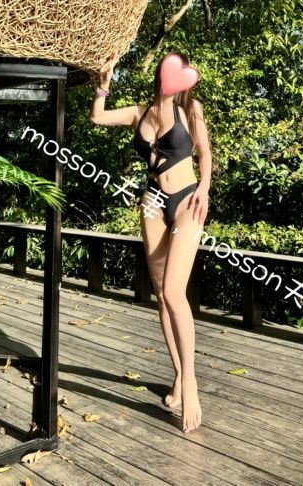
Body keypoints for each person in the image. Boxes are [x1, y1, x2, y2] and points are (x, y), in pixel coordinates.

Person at [89, 50, 212, 434]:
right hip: (153, 203)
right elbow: (97, 117)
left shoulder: (191, 109)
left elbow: (205, 153)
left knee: (175, 292)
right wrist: (103, 84)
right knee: (161, 294)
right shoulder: (139, 113)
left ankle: (190, 384)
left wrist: (205, 188)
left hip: (188, 200)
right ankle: (178, 374)